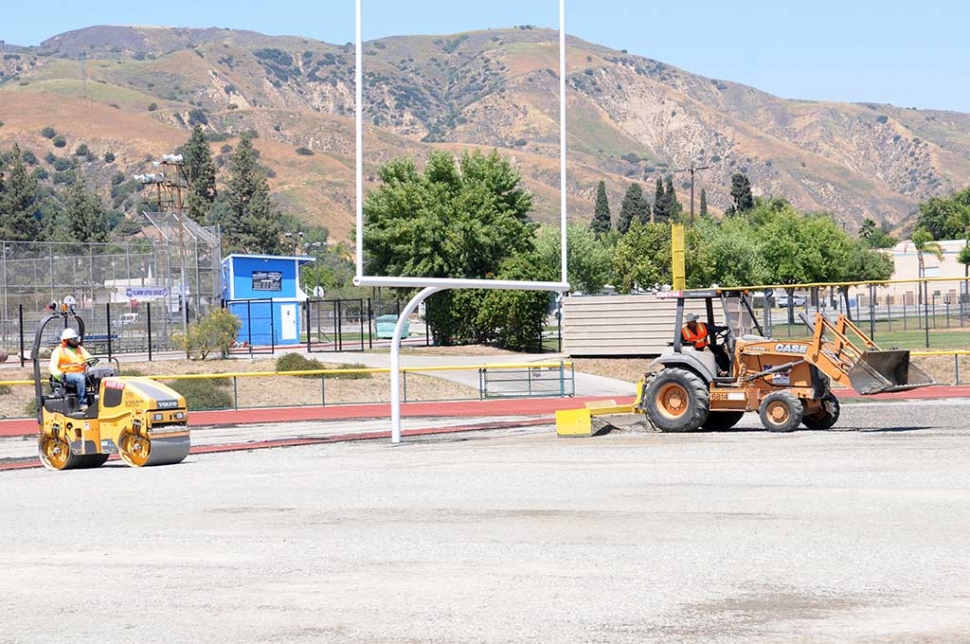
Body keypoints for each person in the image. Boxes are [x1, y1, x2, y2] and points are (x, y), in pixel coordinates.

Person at [50, 328, 93, 408]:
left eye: (76, 338)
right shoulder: (58, 351)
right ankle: (83, 404)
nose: (76, 341)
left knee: (100, 376)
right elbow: (52, 367)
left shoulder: (80, 349)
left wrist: (95, 365)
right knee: (80, 378)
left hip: (82, 373)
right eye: (73, 339)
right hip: (66, 375)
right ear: (66, 340)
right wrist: (60, 375)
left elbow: (91, 359)